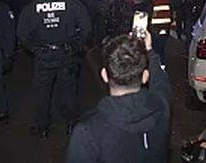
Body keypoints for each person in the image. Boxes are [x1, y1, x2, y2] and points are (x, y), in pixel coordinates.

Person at [65, 32, 172, 163]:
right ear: (145, 76)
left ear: (104, 75)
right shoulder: (161, 107)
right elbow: (161, 82)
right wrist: (149, 50)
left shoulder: (87, 133)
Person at [17, 0, 91, 139]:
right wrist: (76, 46)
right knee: (68, 91)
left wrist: (34, 48)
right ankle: (71, 124)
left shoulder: (32, 7)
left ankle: (41, 127)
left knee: (41, 92)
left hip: (43, 56)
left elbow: (21, 34)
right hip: (67, 54)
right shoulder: (72, 3)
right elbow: (86, 28)